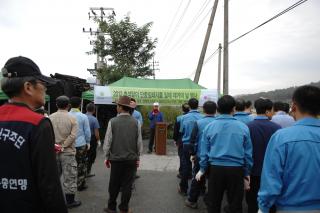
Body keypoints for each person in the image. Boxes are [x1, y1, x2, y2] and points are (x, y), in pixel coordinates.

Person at [0, 56, 67, 212]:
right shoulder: (38, 123)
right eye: (42, 84)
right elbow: (49, 184)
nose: (45, 88)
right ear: (28, 87)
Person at [258, 85, 320, 213]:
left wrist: (263, 207)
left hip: (289, 207)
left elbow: (271, 180)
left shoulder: (281, 137)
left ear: (294, 106)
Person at [197, 95, 253, 213]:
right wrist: (247, 172)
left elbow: (204, 152)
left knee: (213, 204)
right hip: (236, 169)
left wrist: (202, 169)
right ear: (234, 109)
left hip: (215, 169)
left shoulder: (209, 127)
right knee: (235, 205)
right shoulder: (243, 127)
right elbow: (248, 153)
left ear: (217, 109)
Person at [103, 96, 143, 213]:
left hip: (116, 159)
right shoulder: (136, 122)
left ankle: (111, 207)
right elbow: (139, 143)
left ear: (121, 107)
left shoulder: (113, 121)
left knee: (114, 184)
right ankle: (124, 208)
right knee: (127, 185)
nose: (116, 107)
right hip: (131, 159)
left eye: (117, 106)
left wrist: (106, 157)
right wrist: (138, 157)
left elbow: (108, 141)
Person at [246, 98, 281, 213]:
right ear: (267, 111)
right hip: (271, 172)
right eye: (272, 110)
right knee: (271, 201)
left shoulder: (248, 127)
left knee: (252, 200)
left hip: (252, 170)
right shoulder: (277, 128)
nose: (273, 113)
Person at [49, 95, 81, 208]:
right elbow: (73, 136)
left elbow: (47, 135)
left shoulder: (50, 117)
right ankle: (70, 201)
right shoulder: (72, 118)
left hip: (53, 152)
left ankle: (52, 200)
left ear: (56, 105)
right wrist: (63, 146)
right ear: (68, 105)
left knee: (53, 176)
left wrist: (56, 146)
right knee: (70, 177)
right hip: (68, 152)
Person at [185, 101, 217, 209]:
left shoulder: (199, 123)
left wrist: (192, 154)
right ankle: (209, 199)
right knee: (213, 180)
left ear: (203, 110)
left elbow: (192, 140)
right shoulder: (218, 123)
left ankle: (192, 200)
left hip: (200, 155)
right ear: (216, 110)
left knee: (197, 178)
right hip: (215, 158)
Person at [178, 98, 203, 196]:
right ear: (198, 105)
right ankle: (201, 189)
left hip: (187, 144)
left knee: (186, 166)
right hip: (199, 145)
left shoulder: (184, 117)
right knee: (199, 167)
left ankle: (183, 188)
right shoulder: (202, 117)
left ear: (189, 105)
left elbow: (181, 131)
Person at [69, 96, 91, 191]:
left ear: (70, 105)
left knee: (70, 164)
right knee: (81, 164)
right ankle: (80, 184)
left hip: (69, 144)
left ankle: (70, 184)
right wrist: (88, 142)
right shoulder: (83, 116)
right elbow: (87, 131)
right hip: (81, 144)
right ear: (79, 105)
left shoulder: (67, 115)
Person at [173, 102, 190, 179]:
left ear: (182, 109)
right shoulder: (194, 117)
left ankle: (182, 172)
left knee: (182, 157)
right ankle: (189, 172)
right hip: (192, 140)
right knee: (190, 157)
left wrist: (175, 140)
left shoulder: (179, 118)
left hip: (182, 140)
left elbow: (176, 131)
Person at [85, 103, 100, 177]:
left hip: (83, 139)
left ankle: (82, 171)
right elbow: (96, 132)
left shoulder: (82, 116)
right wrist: (98, 140)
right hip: (92, 139)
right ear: (94, 110)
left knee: (83, 155)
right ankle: (88, 172)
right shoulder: (94, 119)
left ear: (86, 109)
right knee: (91, 156)